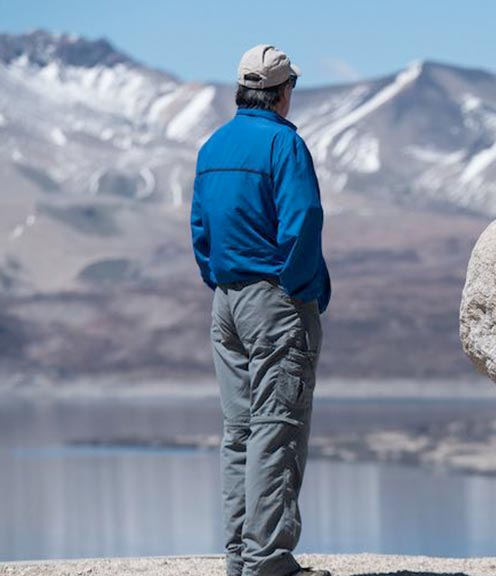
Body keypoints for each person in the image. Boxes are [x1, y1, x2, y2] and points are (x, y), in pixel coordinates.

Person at [190, 44, 332, 576]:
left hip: (226, 303)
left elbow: (200, 230)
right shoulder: (283, 145)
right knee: (277, 427)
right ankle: (267, 560)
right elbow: (303, 222)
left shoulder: (213, 146)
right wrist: (299, 289)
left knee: (240, 431)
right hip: (275, 302)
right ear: (282, 92)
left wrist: (222, 282)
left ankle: (239, 555)